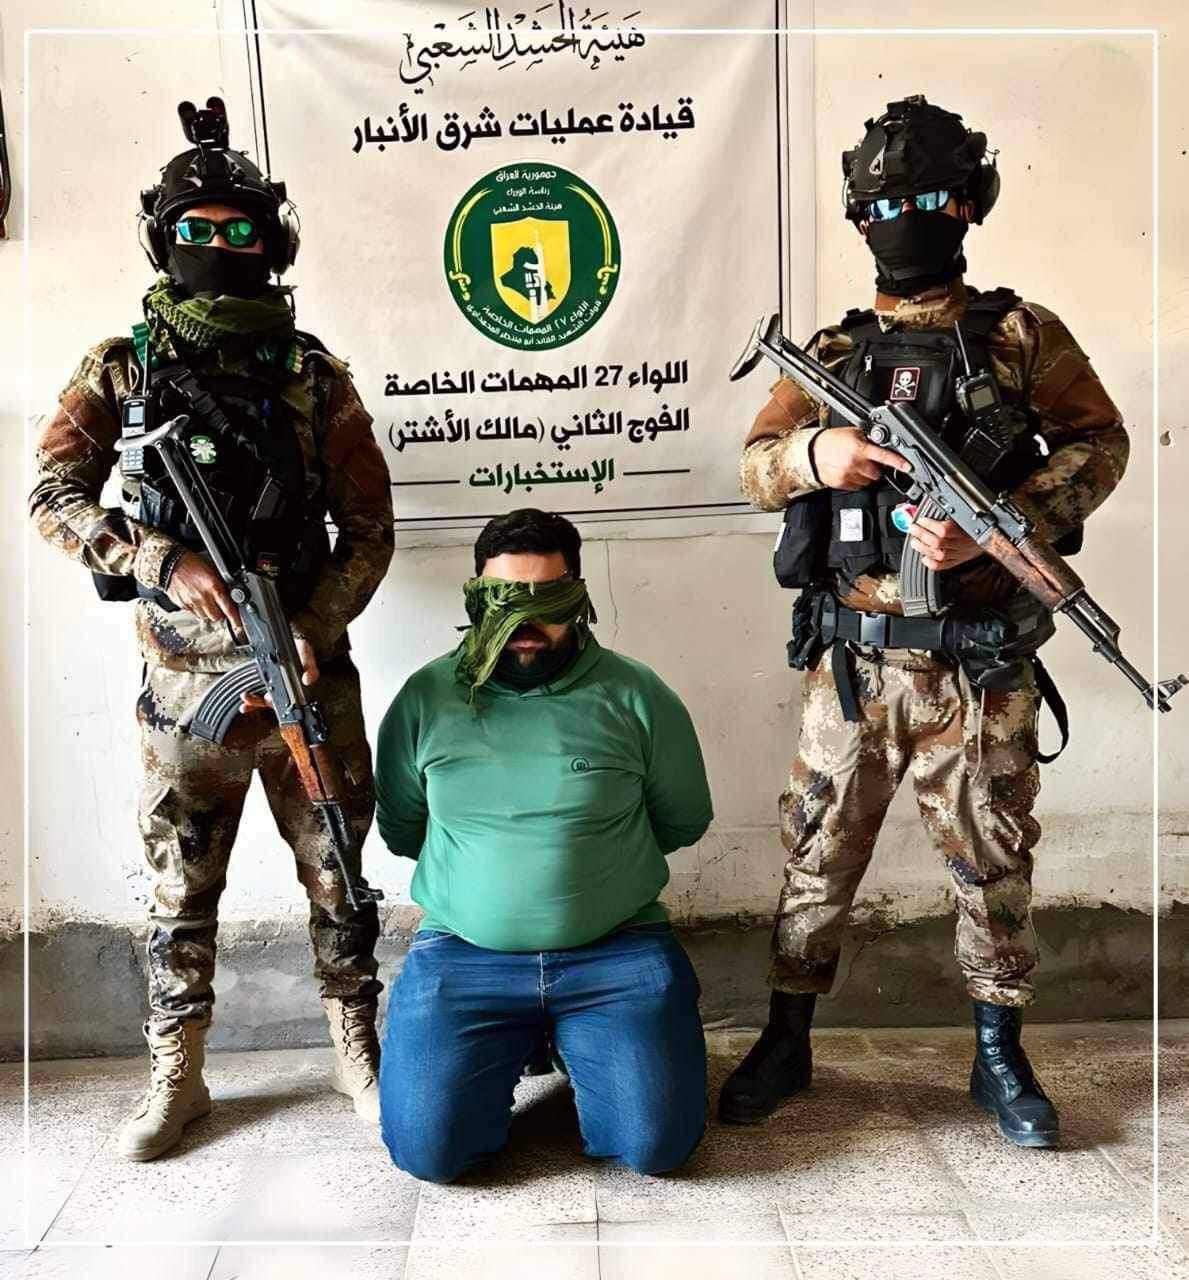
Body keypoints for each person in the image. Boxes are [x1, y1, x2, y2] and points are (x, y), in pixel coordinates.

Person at [719, 95, 1129, 1148]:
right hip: (853, 665)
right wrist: (819, 454)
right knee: (816, 851)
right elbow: (756, 466)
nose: (903, 220)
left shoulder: (1019, 336)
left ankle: (998, 1053)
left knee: (994, 860)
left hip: (978, 669)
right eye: (884, 203)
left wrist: (1003, 525)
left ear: (971, 202)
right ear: (858, 216)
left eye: (928, 198)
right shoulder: (830, 351)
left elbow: (1100, 442)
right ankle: (786, 1037)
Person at [28, 97, 394, 1159]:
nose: (220, 246)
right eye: (198, 229)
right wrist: (157, 559)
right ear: (163, 240)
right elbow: (52, 494)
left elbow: (370, 527)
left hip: (306, 676)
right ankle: (178, 1071)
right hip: (182, 695)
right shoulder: (122, 368)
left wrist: (314, 623)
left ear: (272, 243)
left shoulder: (313, 375)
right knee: (180, 890)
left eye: (240, 230)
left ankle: (355, 1044)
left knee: (338, 871)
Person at [373, 508, 712, 1181]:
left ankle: (576, 1040)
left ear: (578, 597)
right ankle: (525, 1040)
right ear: (474, 598)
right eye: (504, 599)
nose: (524, 622)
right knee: (428, 1152)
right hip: (464, 955)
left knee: (656, 1147)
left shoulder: (635, 695)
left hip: (615, 951)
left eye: (546, 600)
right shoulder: (426, 699)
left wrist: (586, 875)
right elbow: (403, 828)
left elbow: (683, 820)